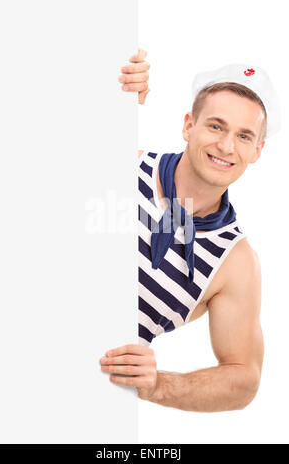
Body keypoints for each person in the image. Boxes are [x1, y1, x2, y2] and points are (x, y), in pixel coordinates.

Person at [99, 49, 280, 412]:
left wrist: (158, 385)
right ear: (188, 125)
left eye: (244, 136)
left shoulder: (235, 263)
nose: (227, 146)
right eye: (216, 126)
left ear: (257, 150)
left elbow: (244, 378)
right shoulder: (122, 160)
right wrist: (107, 85)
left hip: (93, 399)